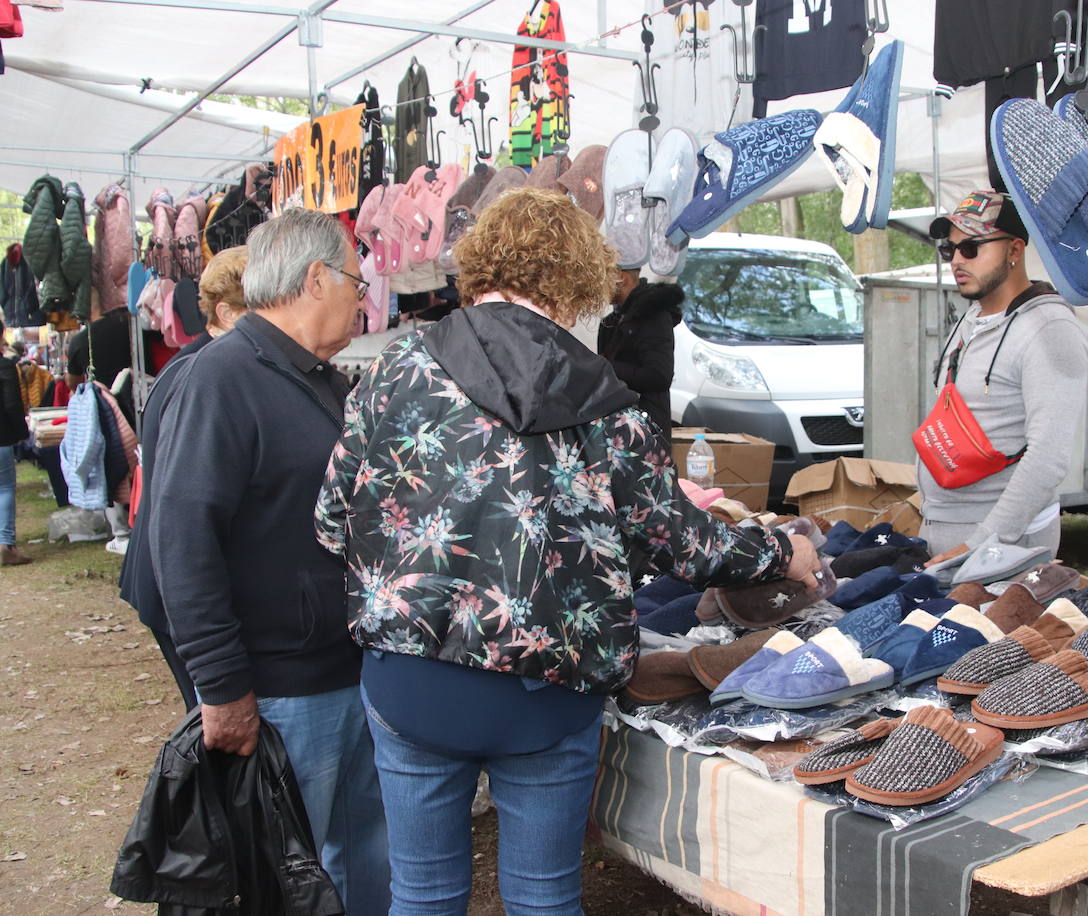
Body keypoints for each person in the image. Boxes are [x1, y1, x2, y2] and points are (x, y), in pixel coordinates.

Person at [315, 187, 820, 915]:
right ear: (578, 279)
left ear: (483, 260)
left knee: (420, 893)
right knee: (544, 898)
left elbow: (332, 521)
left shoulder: (395, 371)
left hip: (413, 677)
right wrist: (781, 550)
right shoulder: (606, 397)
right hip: (548, 688)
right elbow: (681, 539)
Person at [147, 211, 388, 912]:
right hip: (278, 689)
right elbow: (182, 541)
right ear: (316, 278)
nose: (364, 293)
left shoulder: (323, 381)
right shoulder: (221, 379)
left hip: (349, 672)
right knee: (276, 874)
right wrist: (220, 688)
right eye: (354, 278)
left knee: (361, 857)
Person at [919, 191, 1088, 563]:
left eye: (972, 248)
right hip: (947, 537)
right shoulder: (973, 317)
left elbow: (1048, 456)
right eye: (950, 251)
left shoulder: (1050, 328)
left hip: (998, 550)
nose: (957, 261)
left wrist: (981, 542)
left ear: (1014, 250)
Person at [119, 246, 249, 711]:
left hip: (166, 580)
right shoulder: (204, 373)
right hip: (172, 586)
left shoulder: (196, 364)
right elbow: (188, 511)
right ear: (227, 312)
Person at [597, 267, 683, 436]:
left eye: (604, 276)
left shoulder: (653, 315)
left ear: (622, 277)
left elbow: (659, 376)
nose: (599, 284)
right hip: (618, 426)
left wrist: (605, 365)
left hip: (646, 431)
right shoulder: (611, 321)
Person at [0, 317, 32, 566]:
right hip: (2, 437)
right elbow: (12, 404)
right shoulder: (4, 366)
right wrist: (22, 432)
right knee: (5, 488)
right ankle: (6, 544)